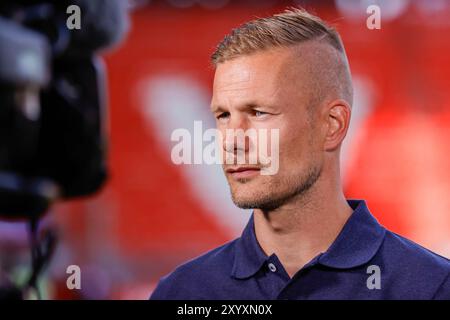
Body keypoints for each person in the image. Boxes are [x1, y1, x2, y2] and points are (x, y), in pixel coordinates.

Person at [150, 8, 450, 300]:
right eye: (223, 115)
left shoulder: (431, 287)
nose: (233, 141)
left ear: (332, 125)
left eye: (259, 112)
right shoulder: (182, 292)